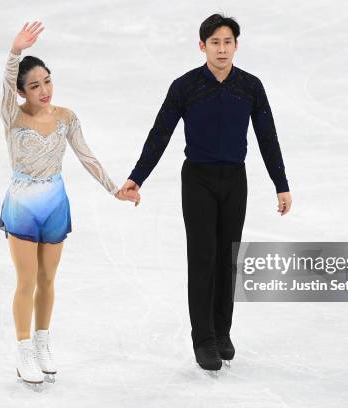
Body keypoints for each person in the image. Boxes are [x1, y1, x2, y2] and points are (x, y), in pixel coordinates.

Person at [121, 14, 292, 372]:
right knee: (202, 259)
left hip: (234, 180)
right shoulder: (185, 87)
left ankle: (222, 332)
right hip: (197, 180)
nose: (221, 49)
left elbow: (267, 136)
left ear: (236, 45)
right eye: (214, 42)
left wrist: (281, 184)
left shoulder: (250, 86)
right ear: (202, 46)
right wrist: (138, 178)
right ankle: (203, 339)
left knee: (227, 260)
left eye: (227, 42)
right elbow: (160, 134)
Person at [0, 21, 140, 390]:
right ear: (20, 91)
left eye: (47, 81)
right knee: (26, 279)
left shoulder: (66, 117)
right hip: (22, 205)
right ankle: (23, 349)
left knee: (48, 279)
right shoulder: (12, 116)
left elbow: (86, 156)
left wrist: (115, 189)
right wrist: (14, 53)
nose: (44, 90)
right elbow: (4, 84)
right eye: (34, 85)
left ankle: (43, 343)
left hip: (55, 203)